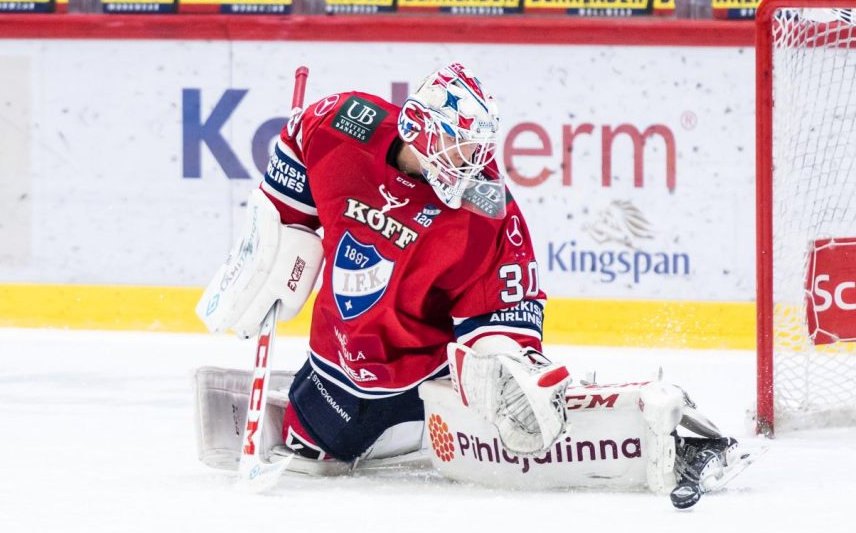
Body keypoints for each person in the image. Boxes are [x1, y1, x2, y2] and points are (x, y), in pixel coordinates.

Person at [195, 63, 745, 499]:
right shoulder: (343, 125)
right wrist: (271, 245)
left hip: (429, 385)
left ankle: (661, 440)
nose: (475, 162)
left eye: (479, 147)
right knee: (310, 457)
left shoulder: (485, 208)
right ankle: (383, 437)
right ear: (420, 129)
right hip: (335, 372)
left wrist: (504, 357)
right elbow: (298, 144)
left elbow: (508, 303)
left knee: (520, 409)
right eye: (460, 146)